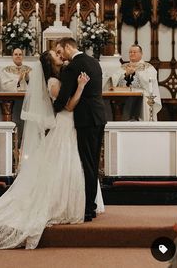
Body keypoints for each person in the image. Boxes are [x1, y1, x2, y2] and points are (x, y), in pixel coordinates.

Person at [0, 50, 104, 249]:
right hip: (66, 124)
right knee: (66, 163)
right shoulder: (53, 84)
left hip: (71, 126)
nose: (60, 56)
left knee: (74, 162)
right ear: (50, 63)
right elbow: (70, 106)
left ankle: (81, 202)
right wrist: (81, 87)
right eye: (56, 55)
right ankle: (63, 203)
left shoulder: (61, 76)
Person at [54, 37, 106, 222]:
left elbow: (63, 97)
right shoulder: (94, 62)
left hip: (85, 119)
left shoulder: (72, 67)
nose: (61, 55)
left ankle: (87, 208)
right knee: (93, 163)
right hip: (99, 116)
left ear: (68, 47)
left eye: (61, 51)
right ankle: (90, 206)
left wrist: (52, 110)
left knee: (87, 164)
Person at [112, 44, 162, 121]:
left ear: (141, 54)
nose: (132, 54)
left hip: (142, 96)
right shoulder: (124, 66)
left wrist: (136, 72)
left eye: (134, 52)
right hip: (124, 96)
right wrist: (126, 74)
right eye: (130, 52)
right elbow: (114, 80)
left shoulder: (148, 67)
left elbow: (150, 81)